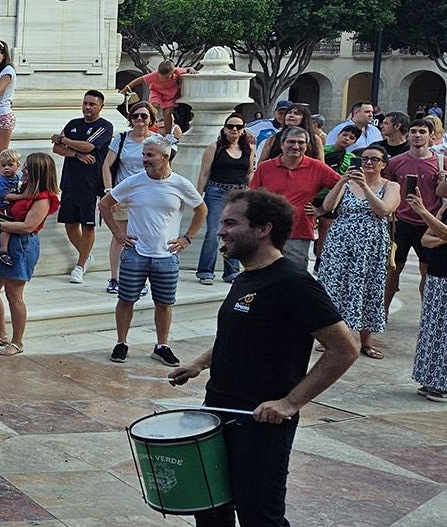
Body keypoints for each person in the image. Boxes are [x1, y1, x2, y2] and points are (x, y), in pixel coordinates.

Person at [152, 189, 358, 527]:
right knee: (211, 503)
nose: (220, 230)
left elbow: (343, 348)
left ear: (262, 229)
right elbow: (235, 335)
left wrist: (290, 402)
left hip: (262, 423)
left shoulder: (292, 281)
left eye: (230, 223)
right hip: (220, 410)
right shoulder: (247, 278)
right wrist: (198, 364)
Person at [101, 138, 206, 366]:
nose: (145, 160)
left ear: (165, 157)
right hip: (135, 253)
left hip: (166, 255)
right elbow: (104, 204)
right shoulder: (133, 182)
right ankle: (121, 342)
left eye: (150, 155)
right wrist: (118, 235)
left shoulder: (181, 184)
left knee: (164, 303)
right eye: (144, 154)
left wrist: (187, 238)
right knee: (126, 299)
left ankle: (162, 345)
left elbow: (201, 210)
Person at [315, 143, 399, 359]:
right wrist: (343, 180)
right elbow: (328, 206)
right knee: (335, 287)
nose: (368, 163)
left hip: (371, 245)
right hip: (340, 243)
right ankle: (332, 339)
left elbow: (384, 210)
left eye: (374, 159)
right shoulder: (347, 183)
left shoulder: (391, 186)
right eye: (365, 159)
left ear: (384, 164)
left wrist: (366, 188)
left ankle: (366, 341)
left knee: (368, 288)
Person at [0, 153, 59, 355]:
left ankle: (17, 341)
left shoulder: (43, 197)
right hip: (1, 239)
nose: (22, 171)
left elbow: (28, 226)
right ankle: (0, 334)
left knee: (13, 295)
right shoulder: (21, 188)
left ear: (37, 173)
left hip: (20, 244)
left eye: (26, 169)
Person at [101, 102, 171, 295]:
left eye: (143, 116)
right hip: (124, 192)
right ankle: (115, 277)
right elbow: (107, 165)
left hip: (150, 193)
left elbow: (166, 166)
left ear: (151, 119)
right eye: (135, 116)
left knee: (145, 236)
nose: (139, 119)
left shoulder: (157, 140)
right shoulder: (122, 138)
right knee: (119, 236)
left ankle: (142, 280)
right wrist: (109, 191)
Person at [248, 127, 340, 272]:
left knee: (294, 277)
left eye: (301, 142)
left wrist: (323, 209)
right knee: (263, 275)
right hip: (267, 232)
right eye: (291, 141)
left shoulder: (317, 167)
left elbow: (342, 186)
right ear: (282, 144)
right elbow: (252, 198)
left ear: (306, 146)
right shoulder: (265, 167)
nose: (296, 146)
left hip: (299, 232)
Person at [53, 90, 116, 284]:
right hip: (70, 182)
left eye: (92, 104)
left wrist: (64, 140)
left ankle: (79, 266)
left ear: (100, 107)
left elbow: (88, 146)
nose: (87, 107)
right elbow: (56, 148)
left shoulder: (104, 126)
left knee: (87, 225)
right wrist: (75, 153)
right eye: (85, 103)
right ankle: (85, 256)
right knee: (70, 225)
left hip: (92, 184)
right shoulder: (73, 124)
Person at [384, 119, 447, 312]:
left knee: (427, 272)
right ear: (408, 134)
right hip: (401, 222)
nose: (417, 135)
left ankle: (426, 313)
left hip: (428, 223)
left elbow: (442, 193)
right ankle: (382, 312)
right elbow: (387, 187)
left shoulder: (441, 161)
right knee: (393, 270)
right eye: (413, 131)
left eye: (422, 131)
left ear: (431, 136)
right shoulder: (396, 161)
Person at [194, 114, 256, 285]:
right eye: (230, 126)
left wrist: (250, 189)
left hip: (239, 194)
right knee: (214, 232)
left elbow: (249, 172)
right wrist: (198, 195)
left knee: (235, 232)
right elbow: (204, 172)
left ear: (243, 129)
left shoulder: (248, 150)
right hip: (216, 192)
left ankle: (232, 272)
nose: (234, 130)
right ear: (224, 128)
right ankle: (206, 271)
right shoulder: (214, 148)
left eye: (238, 126)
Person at [407, 189, 447, 400]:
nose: (441, 180)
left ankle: (443, 384)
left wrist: (422, 210)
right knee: (432, 330)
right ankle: (431, 379)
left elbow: (443, 234)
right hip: (436, 275)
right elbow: (425, 240)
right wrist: (441, 237)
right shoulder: (445, 206)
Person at [122, 59, 191, 136]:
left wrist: (191, 69)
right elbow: (138, 80)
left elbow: (187, 69)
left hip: (170, 96)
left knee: (167, 114)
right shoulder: (154, 75)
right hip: (157, 93)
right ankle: (148, 123)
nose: (163, 79)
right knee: (154, 105)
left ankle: (168, 135)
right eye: (161, 76)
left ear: (172, 72)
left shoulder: (177, 71)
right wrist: (125, 90)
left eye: (166, 77)